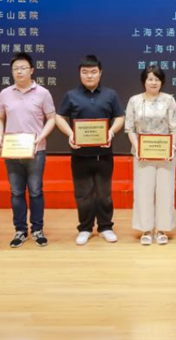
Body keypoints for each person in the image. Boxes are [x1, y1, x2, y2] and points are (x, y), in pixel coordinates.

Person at [56, 56, 125, 246]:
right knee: (83, 194)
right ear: (79, 73)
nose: (89, 76)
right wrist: (70, 133)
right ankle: (85, 228)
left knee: (104, 193)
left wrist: (111, 132)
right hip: (80, 155)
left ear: (100, 73)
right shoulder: (71, 95)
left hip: (104, 154)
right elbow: (59, 117)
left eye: (93, 72)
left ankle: (105, 227)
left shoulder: (110, 94)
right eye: (85, 72)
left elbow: (120, 117)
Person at [0, 52, 56, 248]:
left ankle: (37, 229)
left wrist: (41, 136)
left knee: (36, 191)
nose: (19, 71)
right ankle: (20, 230)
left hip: (36, 150)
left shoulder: (43, 93)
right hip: (12, 150)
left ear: (32, 70)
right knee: (16, 192)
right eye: (15, 69)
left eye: (23, 68)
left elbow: (51, 118)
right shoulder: (5, 93)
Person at [125, 65, 176, 245]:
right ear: (144, 81)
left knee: (165, 191)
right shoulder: (134, 101)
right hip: (142, 154)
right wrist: (138, 148)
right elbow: (130, 128)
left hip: (166, 154)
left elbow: (175, 128)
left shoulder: (169, 100)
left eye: (157, 79)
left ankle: (162, 229)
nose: (153, 82)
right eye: (150, 79)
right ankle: (146, 230)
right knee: (143, 191)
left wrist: (172, 147)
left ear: (162, 82)